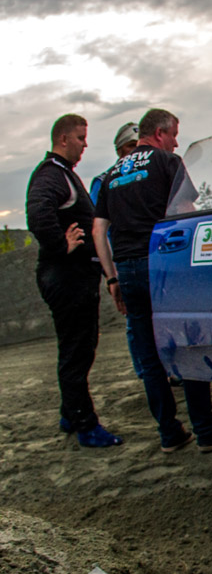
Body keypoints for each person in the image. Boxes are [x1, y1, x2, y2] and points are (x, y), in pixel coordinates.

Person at [93, 108, 212, 453]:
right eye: (174, 134)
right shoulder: (166, 163)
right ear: (159, 134)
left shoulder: (112, 174)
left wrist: (111, 278)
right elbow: (186, 213)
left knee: (149, 355)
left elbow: (99, 230)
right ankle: (205, 430)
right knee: (188, 344)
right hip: (165, 266)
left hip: (127, 269)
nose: (176, 141)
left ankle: (170, 434)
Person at [25, 113, 123, 448]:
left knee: (78, 349)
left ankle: (70, 413)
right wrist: (58, 245)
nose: (85, 144)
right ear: (63, 139)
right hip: (66, 277)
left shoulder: (63, 174)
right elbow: (38, 211)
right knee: (76, 352)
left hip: (72, 277)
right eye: (80, 138)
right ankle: (86, 425)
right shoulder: (51, 175)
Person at [89, 122, 140, 204]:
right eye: (131, 145)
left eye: (140, 145)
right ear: (119, 150)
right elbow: (93, 211)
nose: (136, 150)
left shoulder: (149, 174)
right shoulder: (103, 180)